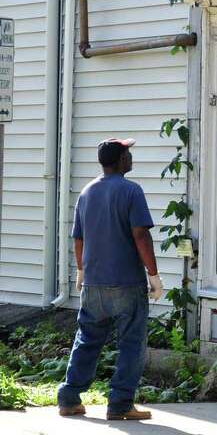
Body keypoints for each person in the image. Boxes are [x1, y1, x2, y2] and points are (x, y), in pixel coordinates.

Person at [57, 138, 163, 421]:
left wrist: (81, 271)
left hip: (93, 283)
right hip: (127, 282)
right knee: (131, 344)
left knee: (87, 340)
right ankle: (120, 405)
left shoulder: (87, 191)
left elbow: (79, 238)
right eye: (128, 154)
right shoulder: (131, 191)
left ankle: (69, 399)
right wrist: (153, 275)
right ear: (118, 161)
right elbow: (141, 235)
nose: (131, 158)